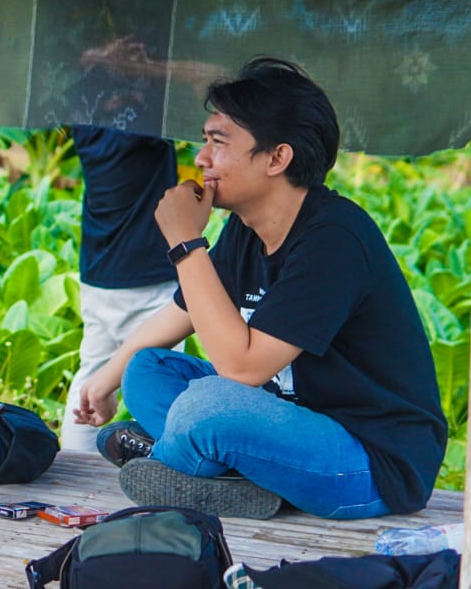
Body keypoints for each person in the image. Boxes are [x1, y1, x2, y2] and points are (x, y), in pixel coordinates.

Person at [76, 57, 445, 520]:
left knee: (208, 406)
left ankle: (180, 463)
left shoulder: (334, 239)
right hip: (285, 424)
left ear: (277, 157)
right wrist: (104, 383)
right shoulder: (247, 228)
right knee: (146, 370)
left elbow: (241, 369)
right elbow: (179, 315)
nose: (201, 158)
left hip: (369, 461)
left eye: (218, 142)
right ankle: (223, 471)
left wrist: (186, 243)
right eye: (204, 140)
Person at [60, 125, 178, 450]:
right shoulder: (139, 125)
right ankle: (170, 469)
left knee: (94, 372)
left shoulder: (89, 125)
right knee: (162, 380)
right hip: (144, 277)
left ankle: (73, 462)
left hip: (99, 271)